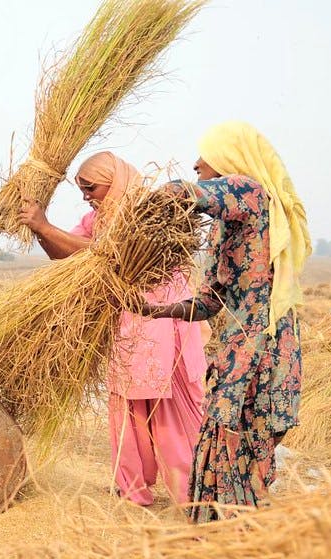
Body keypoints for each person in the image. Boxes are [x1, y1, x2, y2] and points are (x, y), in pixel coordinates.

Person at [19, 151, 208, 506]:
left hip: (159, 319)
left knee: (163, 404)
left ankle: (192, 489)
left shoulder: (147, 213)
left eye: (92, 187)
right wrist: (39, 230)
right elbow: (64, 254)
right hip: (128, 324)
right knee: (127, 404)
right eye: (83, 189)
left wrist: (46, 226)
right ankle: (133, 486)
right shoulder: (97, 217)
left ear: (114, 180)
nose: (87, 195)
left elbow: (111, 253)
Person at [141, 122, 308, 522]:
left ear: (230, 160)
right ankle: (223, 537)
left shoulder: (250, 193)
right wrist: (158, 311)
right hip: (237, 344)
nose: (198, 163)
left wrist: (142, 208)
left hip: (262, 344)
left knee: (247, 440)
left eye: (206, 157)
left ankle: (239, 536)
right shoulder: (227, 224)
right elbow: (211, 300)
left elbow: (185, 192)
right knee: (224, 438)